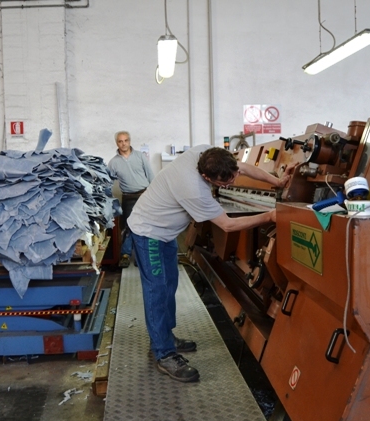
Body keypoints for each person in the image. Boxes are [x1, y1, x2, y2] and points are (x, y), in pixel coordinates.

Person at [127, 145, 296, 383]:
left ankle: (164, 336)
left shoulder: (206, 154)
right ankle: (164, 354)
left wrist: (277, 181)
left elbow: (244, 167)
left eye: (233, 176)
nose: (232, 183)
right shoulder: (193, 190)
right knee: (157, 290)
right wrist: (269, 216)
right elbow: (227, 224)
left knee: (170, 284)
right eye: (224, 183)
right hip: (150, 232)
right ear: (206, 177)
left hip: (165, 232)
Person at [107, 131, 154, 268]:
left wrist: (154, 195)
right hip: (128, 197)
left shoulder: (140, 156)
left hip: (144, 195)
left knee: (144, 226)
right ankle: (125, 255)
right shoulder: (113, 163)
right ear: (117, 143)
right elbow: (108, 183)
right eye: (120, 141)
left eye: (126, 140)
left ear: (130, 141)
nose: (123, 144)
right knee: (128, 227)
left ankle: (141, 256)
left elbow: (150, 175)